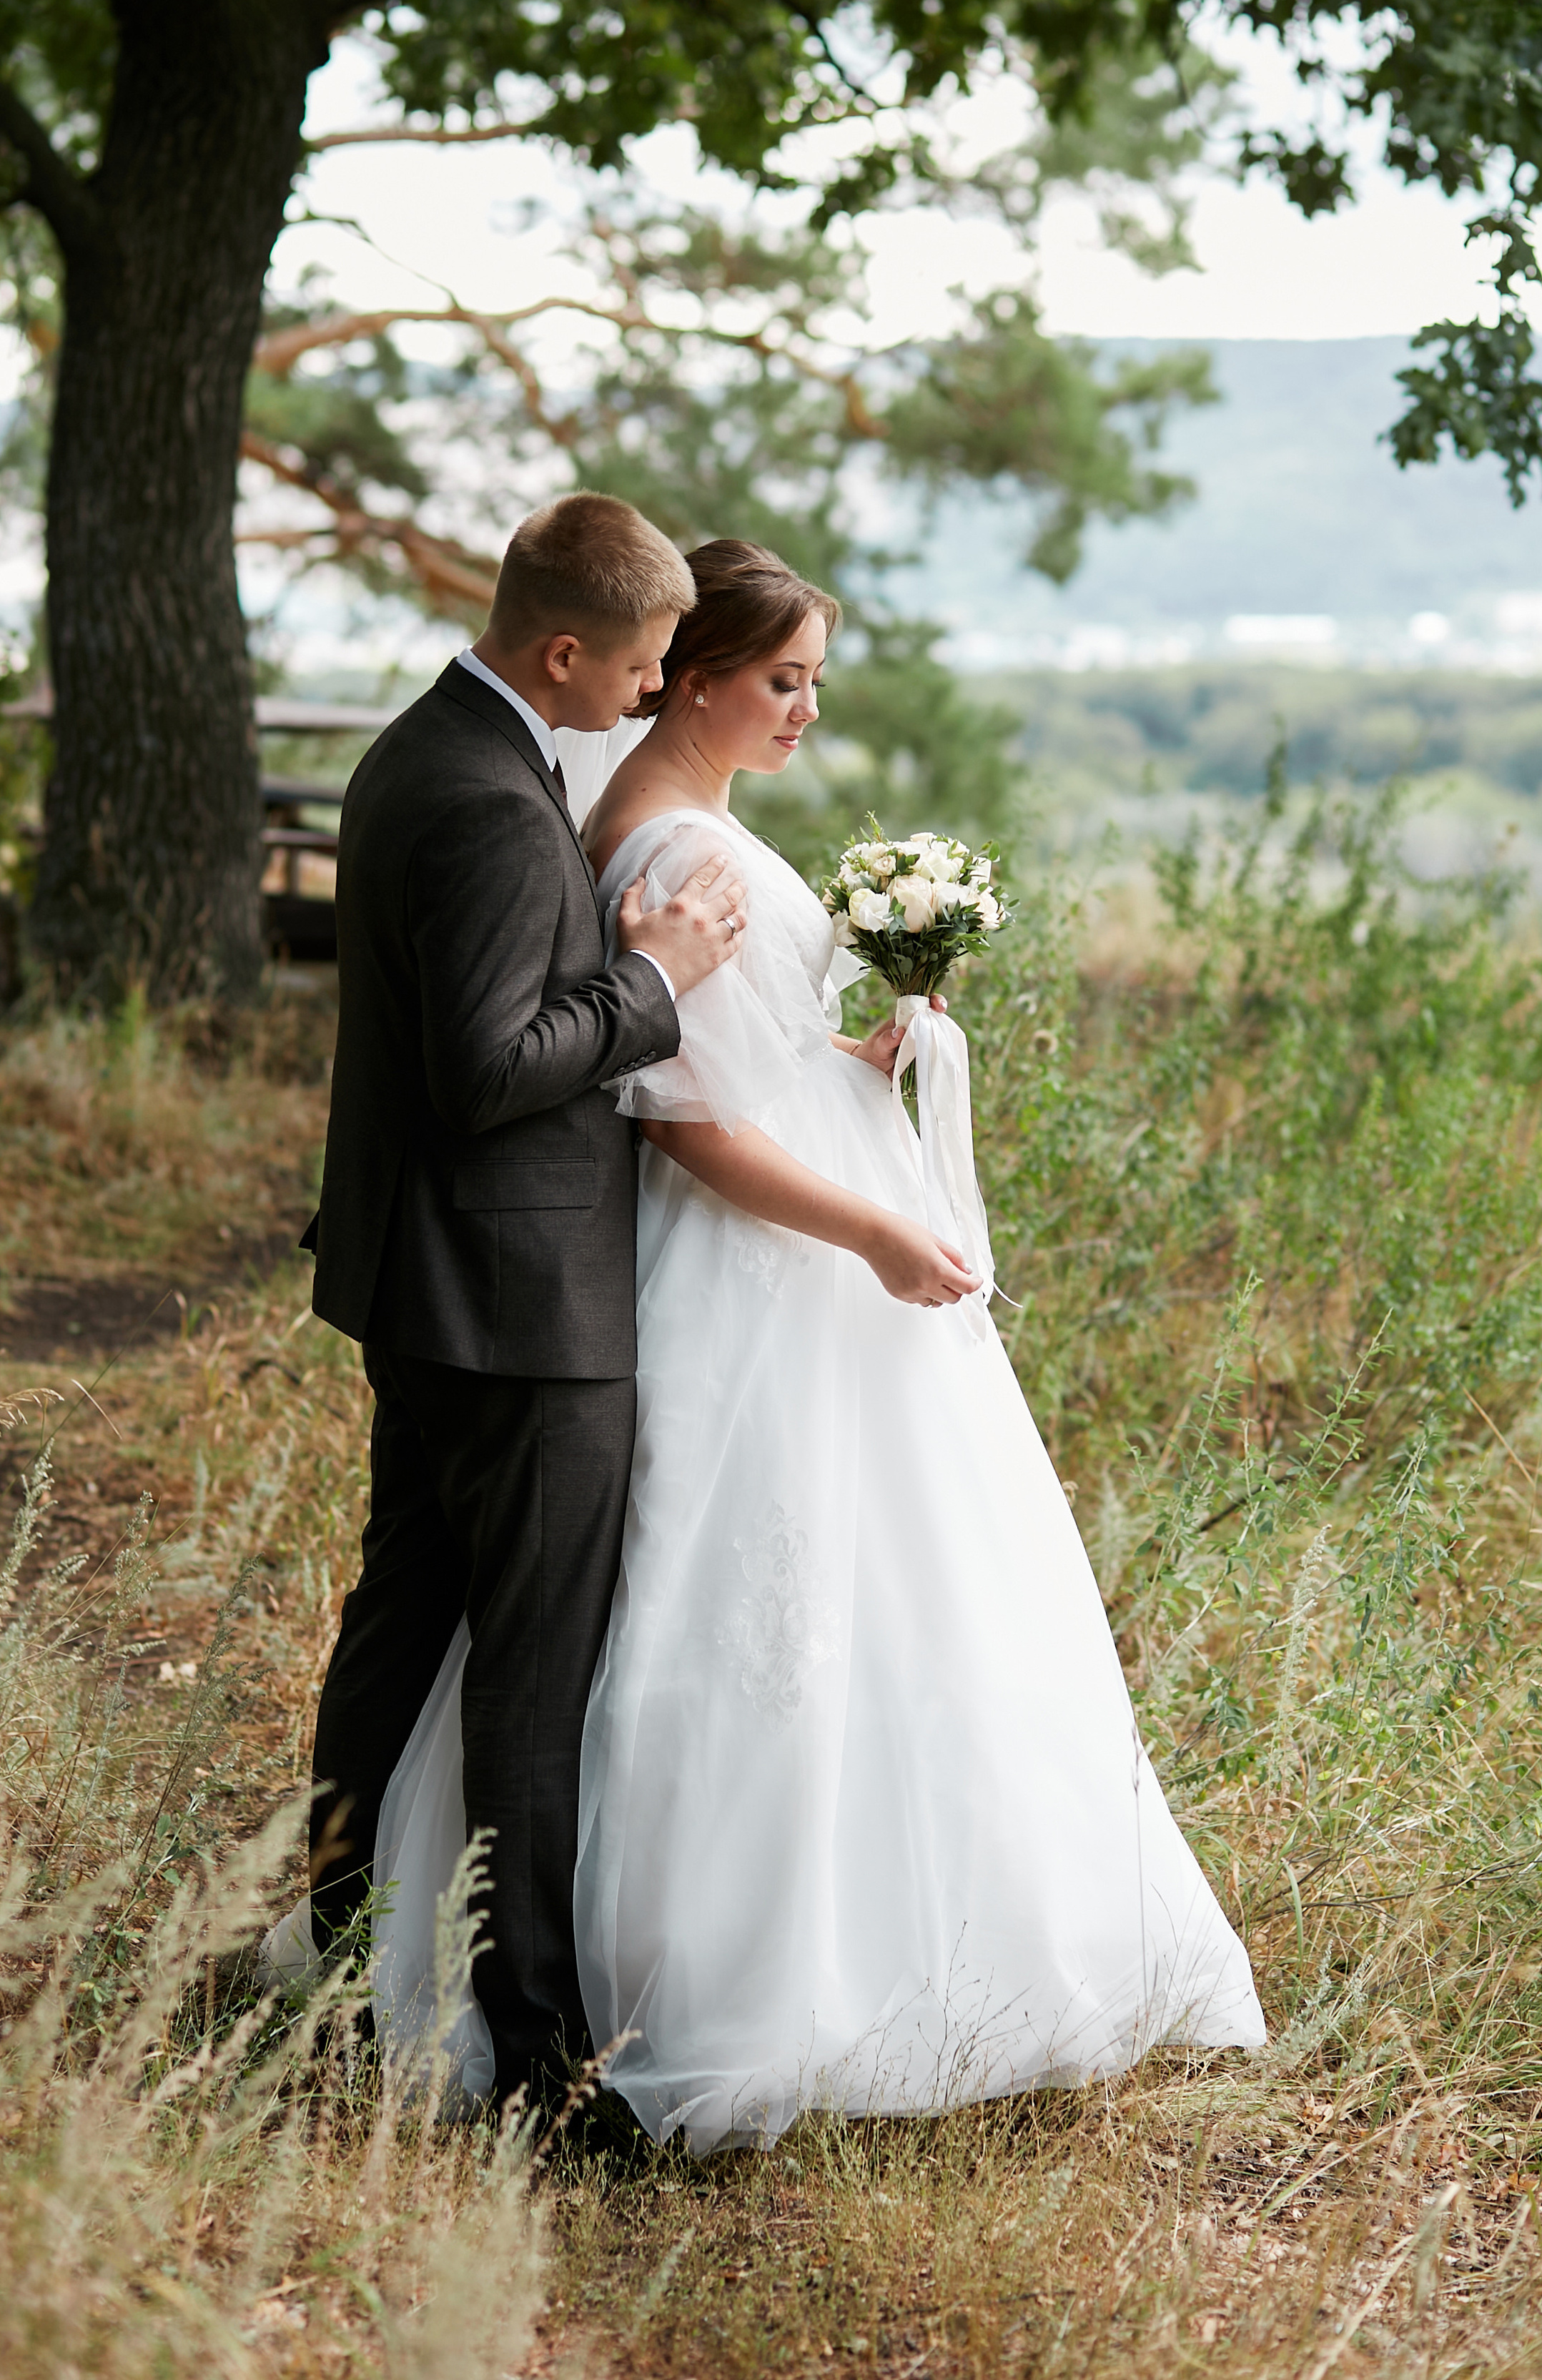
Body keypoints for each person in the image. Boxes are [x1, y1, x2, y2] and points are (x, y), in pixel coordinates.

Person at [367, 535, 1265, 2151]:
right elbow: (687, 1129)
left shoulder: (682, 821)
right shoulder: (664, 851)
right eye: (778, 680)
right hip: (751, 1273)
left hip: (763, 1258)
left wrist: (852, 1049)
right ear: (690, 671)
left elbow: (742, 1064)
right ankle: (684, 1986)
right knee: (717, 1612)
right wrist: (871, 1230)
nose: (801, 710)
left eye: (815, 684)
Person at [288, 493, 749, 2113]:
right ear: (563, 648)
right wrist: (656, 983)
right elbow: (488, 1071)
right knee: (527, 1687)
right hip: (513, 1301)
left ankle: (339, 1957)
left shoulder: (431, 747)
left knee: (399, 1631)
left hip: (424, 1284)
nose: (648, 692)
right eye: (637, 666)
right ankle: (543, 2063)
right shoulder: (487, 801)